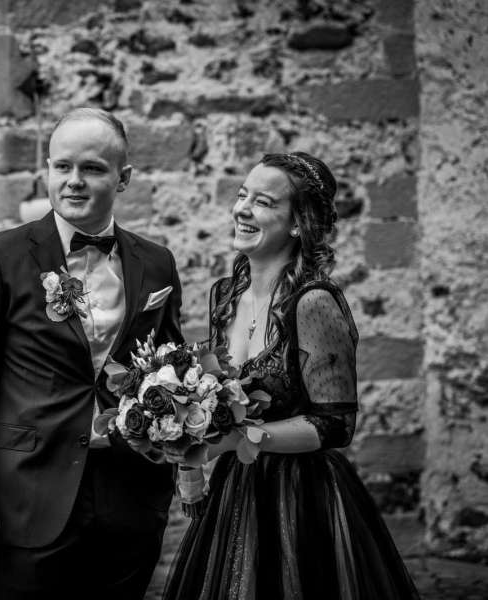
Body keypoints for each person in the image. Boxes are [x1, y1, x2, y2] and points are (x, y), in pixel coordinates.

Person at [0, 107, 184, 599]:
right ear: (47, 170)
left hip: (130, 494)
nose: (74, 181)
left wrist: (182, 459)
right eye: (62, 166)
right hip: (29, 492)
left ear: (123, 178)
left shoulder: (157, 263)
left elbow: (169, 367)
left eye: (92, 168)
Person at [162, 152, 420, 599]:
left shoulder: (314, 303)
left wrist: (238, 439)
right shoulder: (225, 296)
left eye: (263, 202)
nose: (242, 209)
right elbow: (215, 397)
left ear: (299, 223)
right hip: (236, 491)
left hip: (302, 498)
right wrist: (190, 449)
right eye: (242, 195)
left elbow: (335, 426)